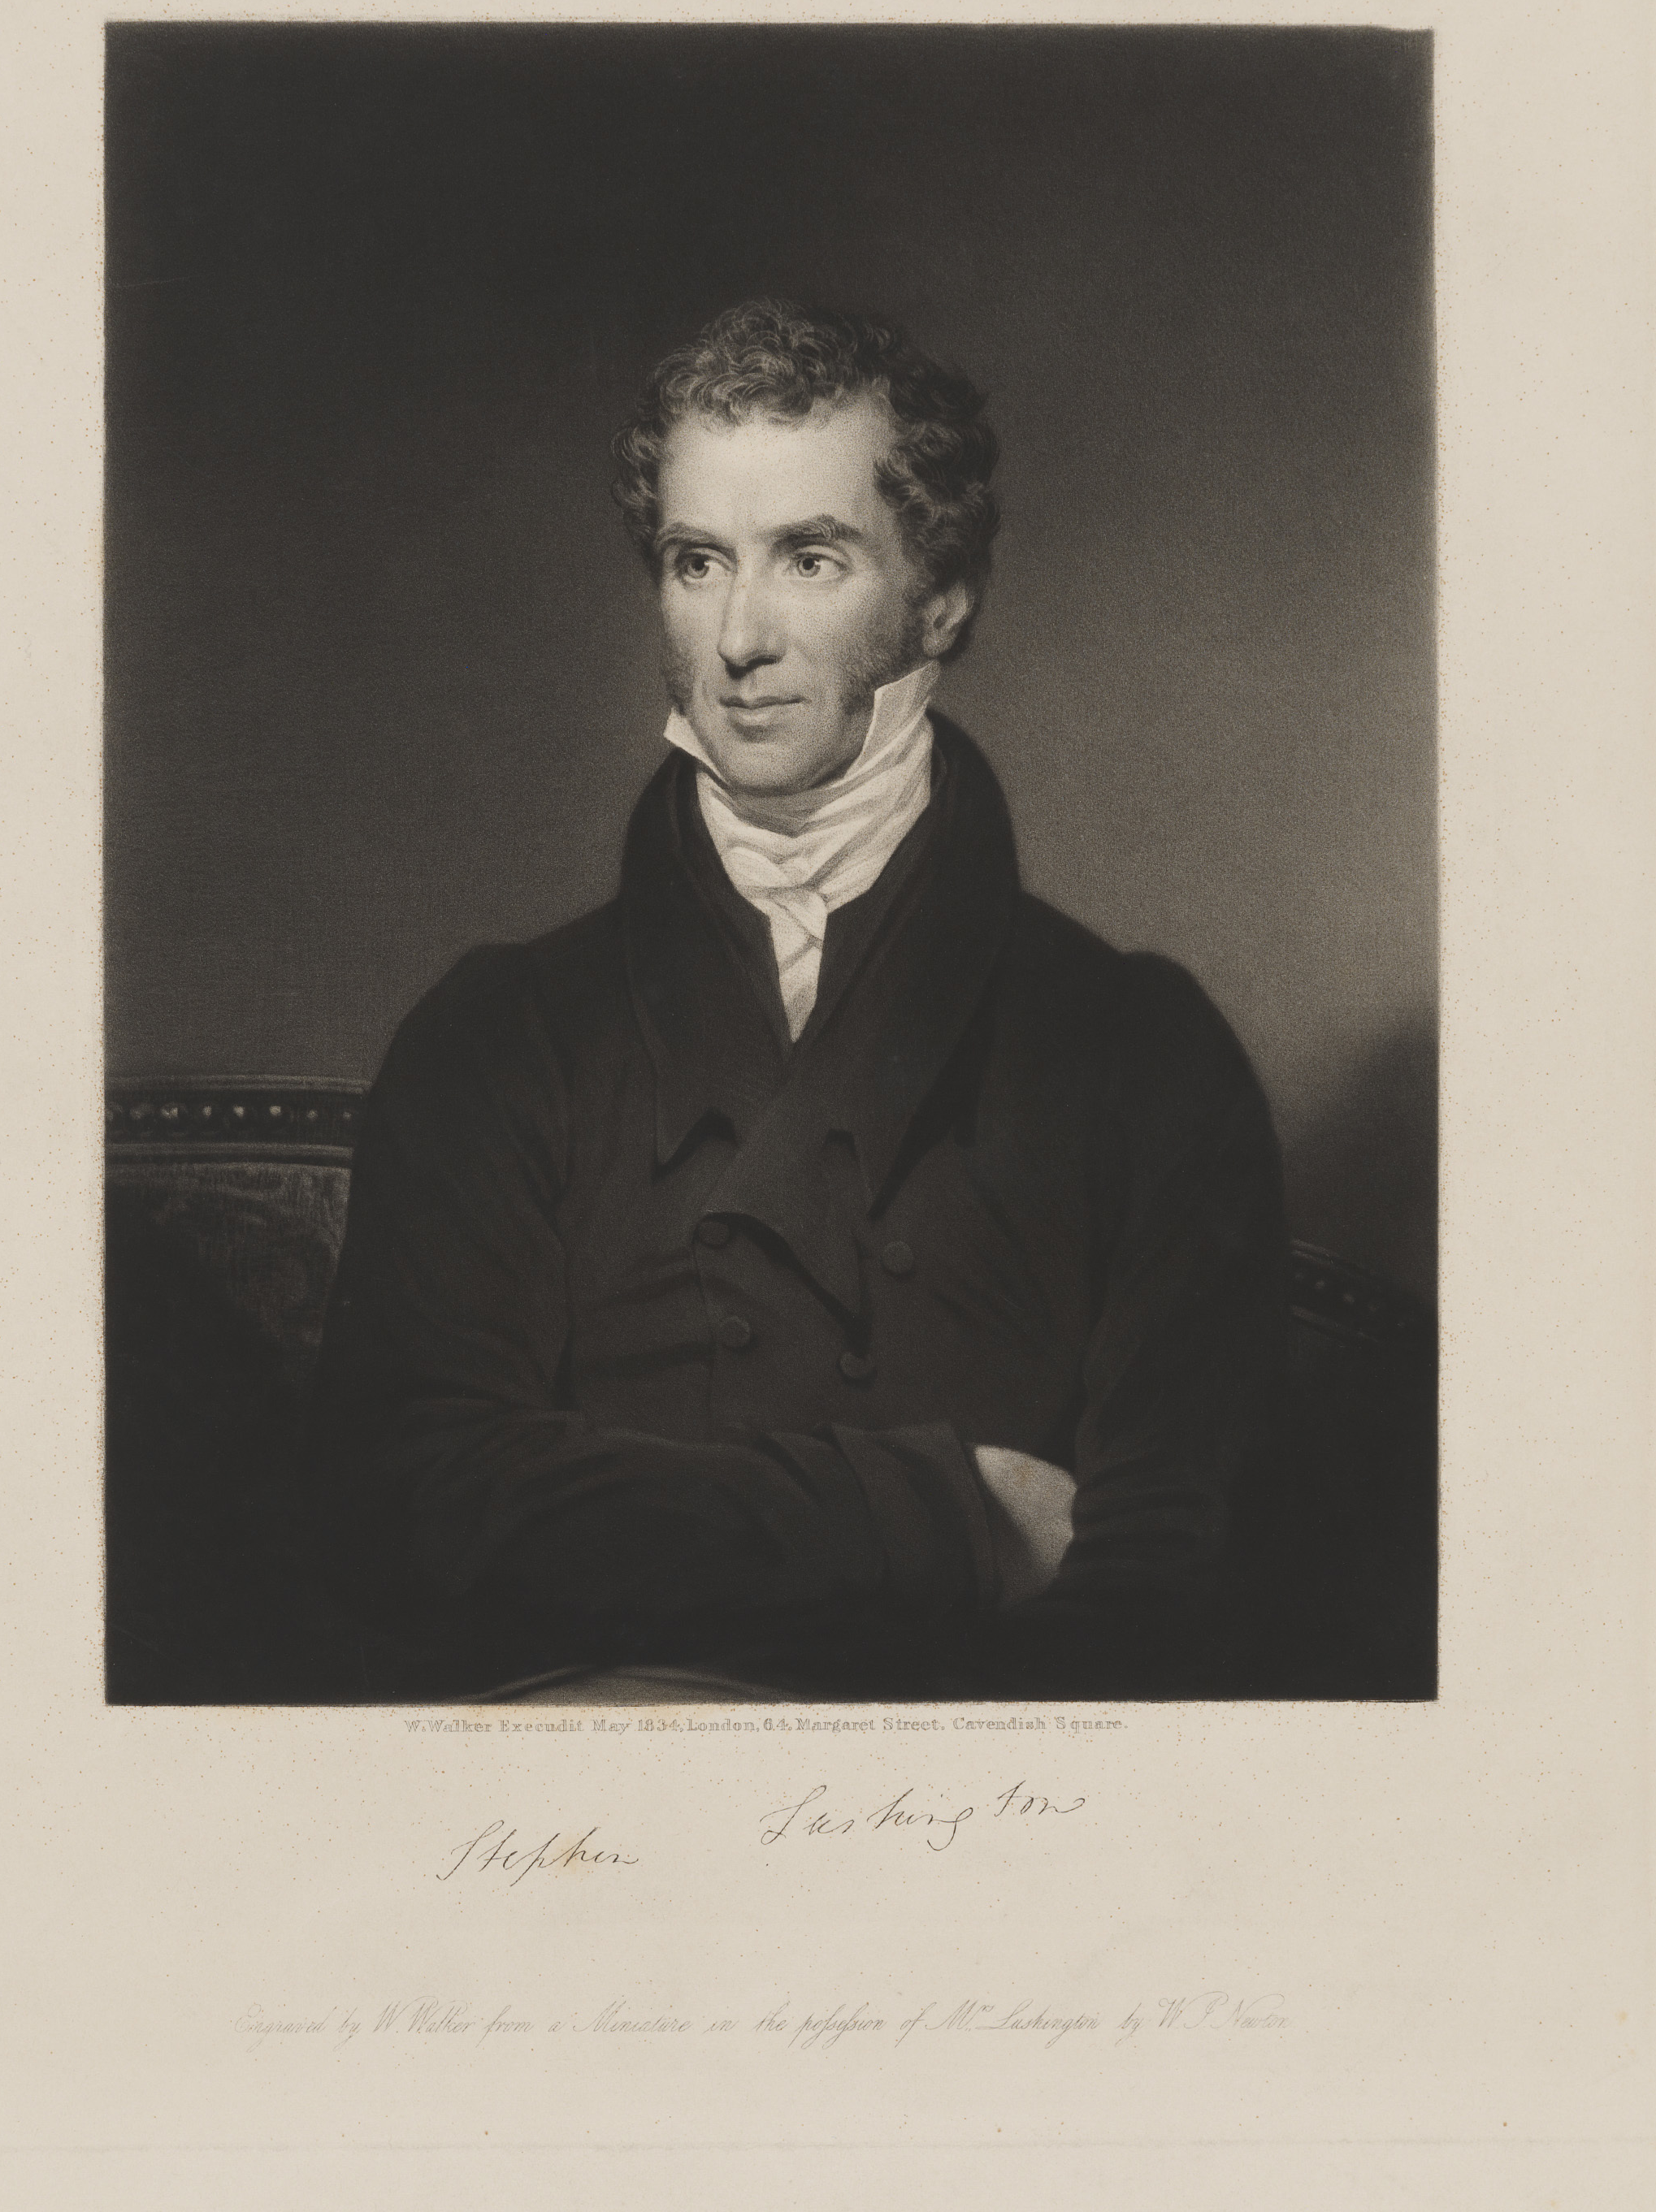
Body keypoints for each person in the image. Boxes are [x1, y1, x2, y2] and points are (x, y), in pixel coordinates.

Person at [306, 300, 1288, 1700]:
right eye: (697, 562)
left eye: (810, 559)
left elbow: (1170, 1579)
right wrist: (941, 1512)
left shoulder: (1136, 1048)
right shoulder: (498, 1036)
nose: (740, 638)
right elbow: (403, 1508)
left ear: (940, 599)